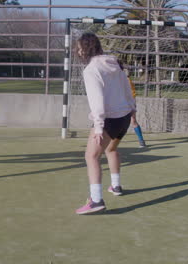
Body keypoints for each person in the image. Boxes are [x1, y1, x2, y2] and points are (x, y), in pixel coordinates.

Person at [74, 33, 136, 215]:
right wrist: (132, 109)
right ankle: (116, 186)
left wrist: (99, 127)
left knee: (91, 156)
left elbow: (97, 102)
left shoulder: (91, 70)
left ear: (85, 49)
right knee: (110, 150)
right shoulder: (115, 63)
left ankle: (95, 200)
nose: (77, 51)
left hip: (108, 120)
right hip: (124, 118)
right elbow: (127, 87)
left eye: (79, 48)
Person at [119, 64, 147, 148]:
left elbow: (131, 95)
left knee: (133, 121)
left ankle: (141, 141)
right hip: (122, 102)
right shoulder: (118, 79)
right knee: (117, 122)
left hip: (129, 102)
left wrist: (131, 104)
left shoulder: (126, 80)